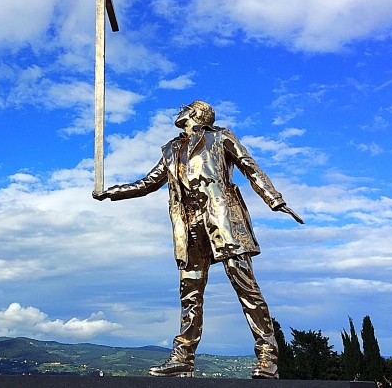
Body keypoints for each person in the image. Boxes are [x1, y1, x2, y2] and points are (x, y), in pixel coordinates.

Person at [93, 100, 303, 379]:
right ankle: (183, 357)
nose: (178, 111)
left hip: (223, 220)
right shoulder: (171, 149)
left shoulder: (220, 137)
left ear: (195, 113)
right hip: (188, 224)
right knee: (190, 293)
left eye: (184, 108)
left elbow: (250, 167)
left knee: (246, 288)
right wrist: (112, 192)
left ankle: (268, 356)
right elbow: (148, 183)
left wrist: (274, 200)